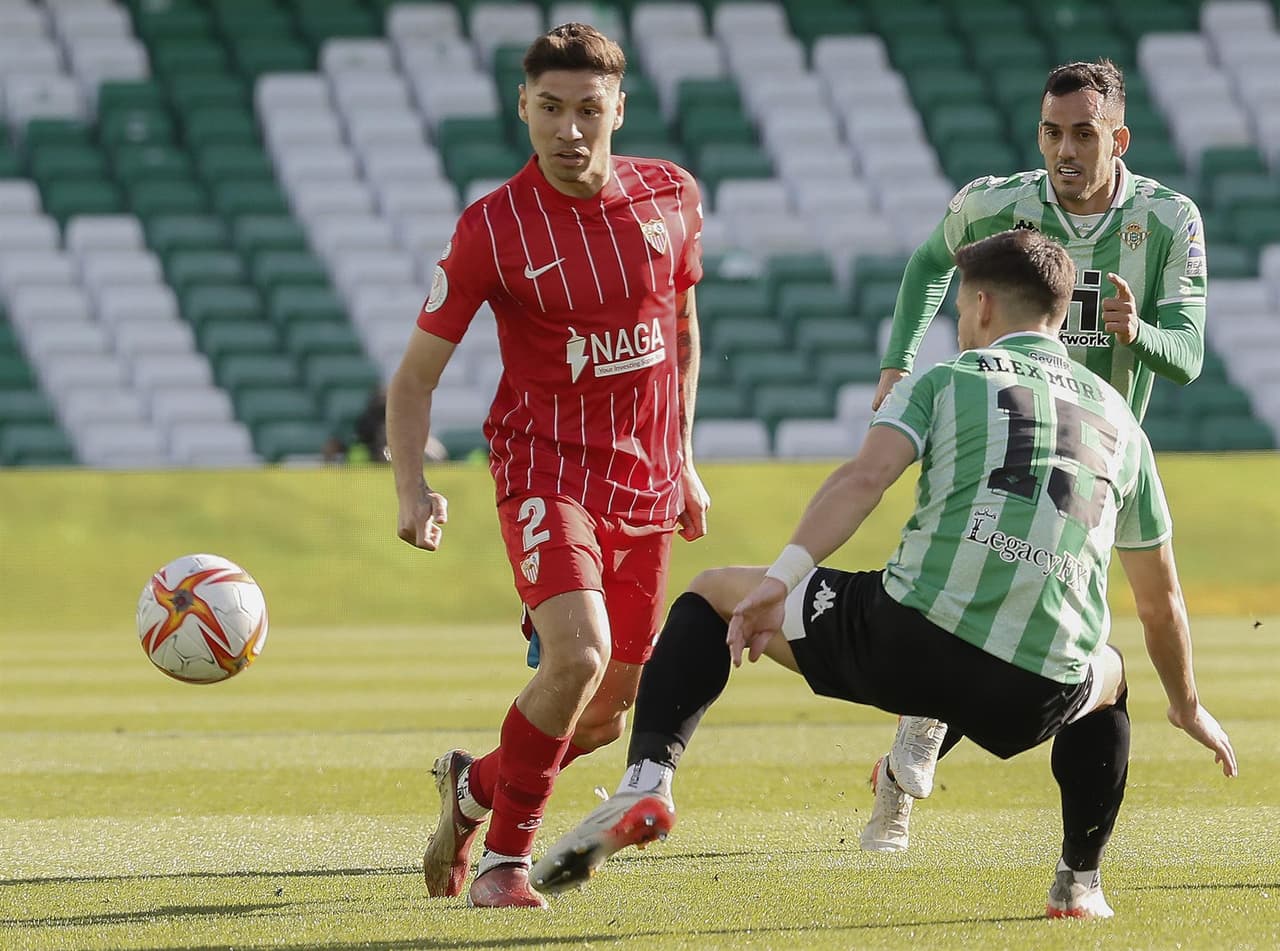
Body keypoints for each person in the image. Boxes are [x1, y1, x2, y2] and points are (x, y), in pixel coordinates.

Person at [530, 229, 1236, 919]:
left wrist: (781, 579)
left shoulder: (949, 378)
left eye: (960, 308)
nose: (960, 323)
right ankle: (1078, 884)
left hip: (906, 641)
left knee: (714, 592)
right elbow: (1160, 602)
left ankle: (648, 781)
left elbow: (863, 480)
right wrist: (1187, 705)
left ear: (983, 304)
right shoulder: (1123, 425)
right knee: (1109, 675)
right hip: (1036, 686)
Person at [385, 23, 709, 908]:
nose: (569, 129)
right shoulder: (492, 228)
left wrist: (684, 459)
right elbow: (413, 379)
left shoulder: (672, 195)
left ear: (618, 110)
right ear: (522, 106)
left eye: (588, 110)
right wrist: (413, 487)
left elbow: (680, 330)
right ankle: (505, 861)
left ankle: (473, 788)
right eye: (551, 108)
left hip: (646, 480)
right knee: (578, 655)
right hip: (546, 472)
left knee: (602, 713)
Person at [865, 59, 1211, 852]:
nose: (1065, 151)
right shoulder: (1000, 205)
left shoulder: (1167, 219)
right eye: (1052, 133)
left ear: (1119, 139)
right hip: (1006, 440)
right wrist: (898, 360)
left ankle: (910, 758)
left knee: (1030, 644)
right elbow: (928, 263)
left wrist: (1137, 333)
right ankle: (1060, 859)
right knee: (1007, 623)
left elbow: (1188, 356)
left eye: (1084, 134)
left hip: (1097, 458)